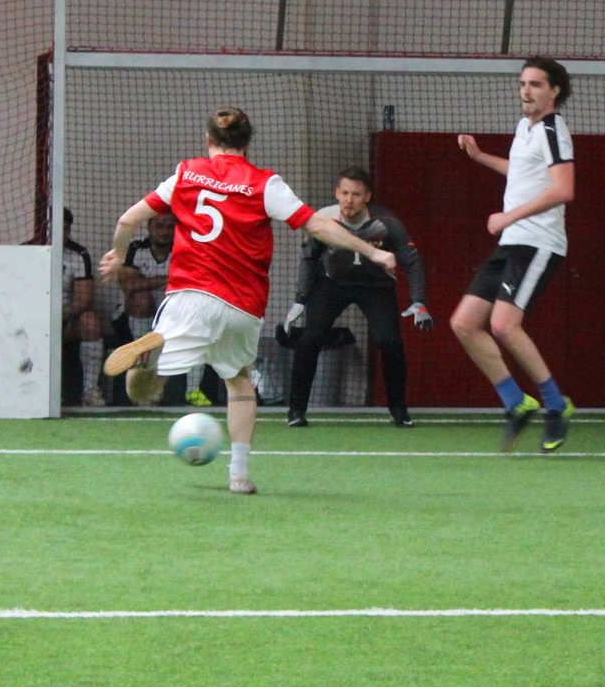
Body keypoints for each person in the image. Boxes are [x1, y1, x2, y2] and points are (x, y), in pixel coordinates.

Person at [99, 107, 396, 494]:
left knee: (141, 390)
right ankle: (239, 475)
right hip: (241, 306)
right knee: (239, 383)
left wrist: (119, 255)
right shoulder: (265, 184)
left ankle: (156, 352)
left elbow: (128, 220)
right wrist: (372, 252)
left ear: (209, 141)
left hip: (190, 294)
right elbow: (318, 225)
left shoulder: (186, 173)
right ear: (247, 143)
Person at [452, 57, 578, 453]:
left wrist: (509, 216)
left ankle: (556, 405)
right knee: (464, 323)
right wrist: (480, 157)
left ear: (554, 91)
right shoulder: (525, 128)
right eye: (523, 83)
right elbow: (523, 172)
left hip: (539, 243)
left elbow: (564, 189)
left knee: (504, 325)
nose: (526, 91)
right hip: (512, 241)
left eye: (535, 84)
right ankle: (516, 402)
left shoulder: (554, 130)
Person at [283, 167, 431, 427]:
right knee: (310, 338)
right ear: (337, 193)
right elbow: (309, 258)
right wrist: (301, 298)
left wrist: (418, 301)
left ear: (367, 197)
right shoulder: (324, 219)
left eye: (356, 194)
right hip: (332, 284)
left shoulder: (387, 223)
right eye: (345, 193)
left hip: (376, 286)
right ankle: (296, 411)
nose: (349, 200)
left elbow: (412, 261)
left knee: (390, 341)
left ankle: (398, 410)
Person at [115, 210, 222, 408]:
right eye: (159, 226)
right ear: (149, 227)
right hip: (138, 318)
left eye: (169, 226)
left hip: (174, 313)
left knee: (199, 313)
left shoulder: (185, 249)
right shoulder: (136, 249)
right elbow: (129, 286)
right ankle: (148, 375)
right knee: (140, 299)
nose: (164, 232)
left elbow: (196, 284)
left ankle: (193, 391)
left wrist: (147, 281)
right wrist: (168, 279)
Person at [61, 208, 106, 408]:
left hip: (63, 320)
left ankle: (90, 390)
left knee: (90, 322)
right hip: (31, 319)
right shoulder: (29, 250)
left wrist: (61, 315)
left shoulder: (79, 255)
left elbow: (84, 299)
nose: (61, 233)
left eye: (65, 229)